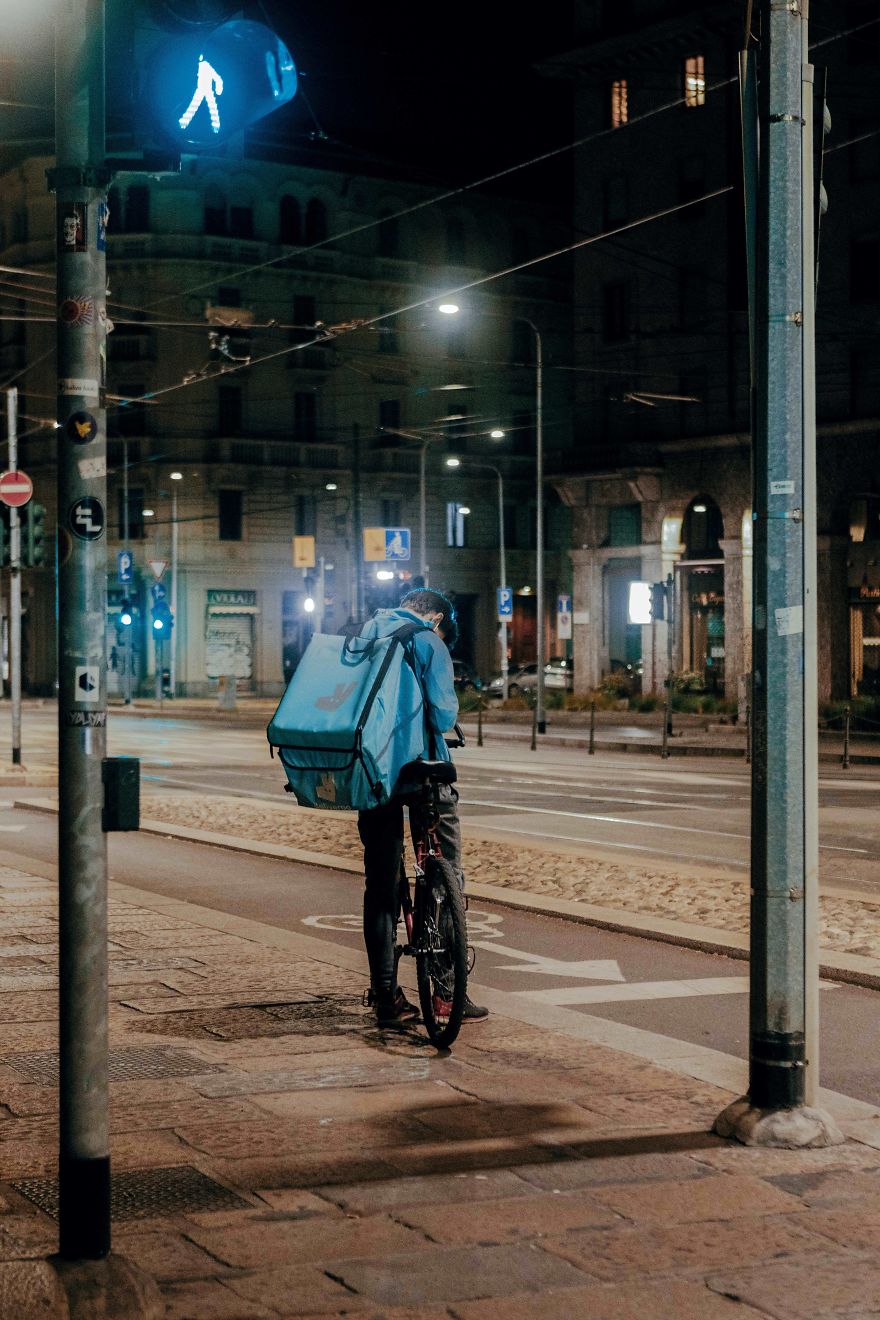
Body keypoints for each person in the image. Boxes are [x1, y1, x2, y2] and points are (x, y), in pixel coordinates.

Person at [357, 588, 489, 1029]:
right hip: (420, 771)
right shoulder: (428, 641)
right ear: (436, 618)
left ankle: (386, 996)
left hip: (371, 773)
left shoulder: (365, 633)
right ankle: (448, 995)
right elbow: (443, 715)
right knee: (447, 868)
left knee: (380, 885)